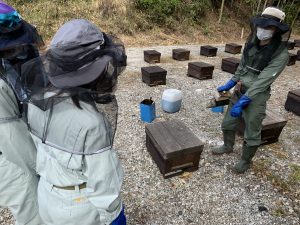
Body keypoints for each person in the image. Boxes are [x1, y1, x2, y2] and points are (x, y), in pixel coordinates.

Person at [23, 19, 127, 225]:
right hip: (78, 208)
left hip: (46, 196)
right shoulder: (91, 122)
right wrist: (114, 216)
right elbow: (103, 184)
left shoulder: (36, 100)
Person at [212, 7, 290, 173]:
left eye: (269, 27)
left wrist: (245, 100)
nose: (263, 30)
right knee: (227, 123)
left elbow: (263, 81)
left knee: (252, 132)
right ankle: (227, 145)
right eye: (262, 25)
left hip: (257, 97)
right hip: (240, 89)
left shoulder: (281, 55)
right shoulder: (251, 43)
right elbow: (243, 66)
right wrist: (231, 82)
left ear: (276, 30)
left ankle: (246, 161)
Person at [0, 2, 44, 224]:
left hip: (17, 136)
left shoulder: (21, 55)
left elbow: (36, 92)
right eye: (9, 48)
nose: (16, 51)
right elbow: (12, 138)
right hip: (9, 153)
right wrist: (44, 166)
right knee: (31, 204)